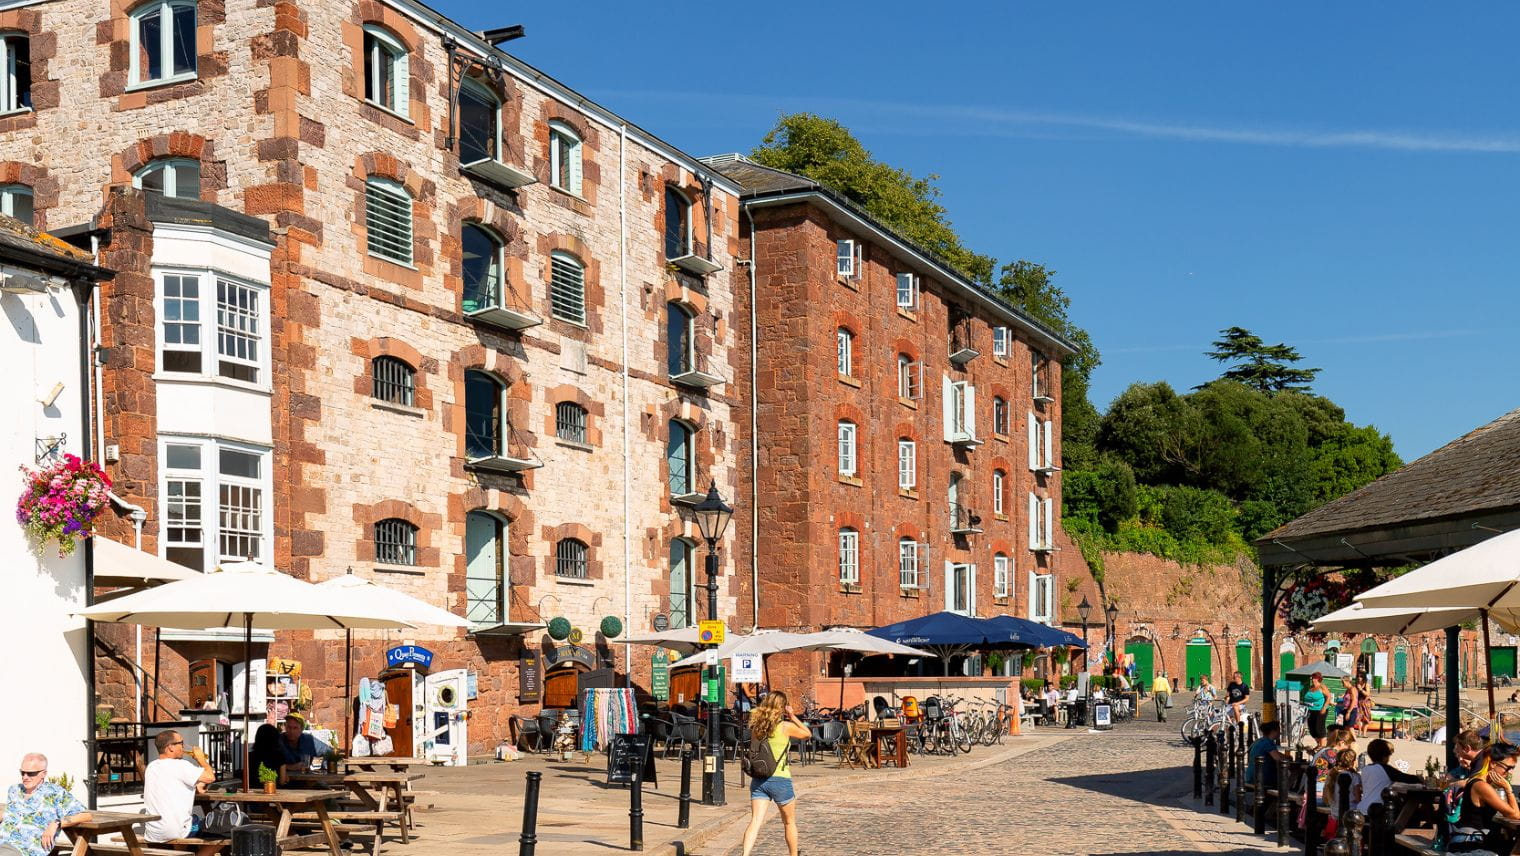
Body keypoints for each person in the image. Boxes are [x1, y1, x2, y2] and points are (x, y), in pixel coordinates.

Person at [739, 691, 811, 856]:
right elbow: (807, 734)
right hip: (780, 780)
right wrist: (792, 715)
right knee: (789, 822)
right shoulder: (785, 727)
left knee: (755, 821)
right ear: (782, 707)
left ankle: (745, 854)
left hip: (759, 779)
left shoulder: (757, 727)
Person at [143, 731, 221, 856]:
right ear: (171, 747)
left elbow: (173, 785)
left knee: (192, 820)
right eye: (181, 743)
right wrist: (201, 759)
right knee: (223, 830)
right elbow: (210, 777)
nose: (183, 747)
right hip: (174, 831)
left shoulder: (151, 767)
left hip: (153, 832)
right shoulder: (181, 765)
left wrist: (196, 786)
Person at [0, 753, 91, 856]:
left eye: (31, 773)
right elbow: (11, 813)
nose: (25, 777)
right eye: (22, 772)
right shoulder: (15, 790)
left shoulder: (55, 793)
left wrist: (57, 823)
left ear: (43, 774)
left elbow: (86, 815)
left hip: (22, 849)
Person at [1449, 743, 1520, 854]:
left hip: (1471, 840)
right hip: (1470, 844)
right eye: (1508, 768)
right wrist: (1508, 788)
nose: (1510, 772)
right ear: (1492, 763)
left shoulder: (1477, 781)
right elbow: (1516, 815)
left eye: (1513, 768)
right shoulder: (1482, 786)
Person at [1356, 738, 1422, 815]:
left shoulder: (1365, 769)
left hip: (1363, 808)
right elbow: (1408, 778)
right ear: (1384, 756)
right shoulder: (1385, 768)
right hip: (1378, 810)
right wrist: (1420, 778)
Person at [1323, 748, 1361, 837]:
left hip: (1334, 813)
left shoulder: (1332, 774)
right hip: (1348, 813)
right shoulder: (1354, 776)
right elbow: (1358, 798)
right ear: (1353, 762)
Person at [1244, 720, 1288, 790]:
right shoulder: (1268, 743)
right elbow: (1278, 759)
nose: (1280, 733)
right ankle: (1285, 794)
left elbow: (1276, 753)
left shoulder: (1259, 741)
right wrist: (1288, 761)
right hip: (1261, 779)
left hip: (1251, 777)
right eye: (1279, 730)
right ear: (1273, 731)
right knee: (1290, 774)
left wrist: (1286, 756)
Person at [1303, 672, 1330, 748]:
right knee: (1312, 730)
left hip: (1320, 710)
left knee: (1319, 729)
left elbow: (1329, 697)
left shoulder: (1322, 687)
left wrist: (1324, 708)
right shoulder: (1310, 687)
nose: (1312, 679)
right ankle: (1319, 744)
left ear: (1318, 679)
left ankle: (1323, 746)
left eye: (1314, 677)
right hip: (1311, 710)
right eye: (1312, 677)